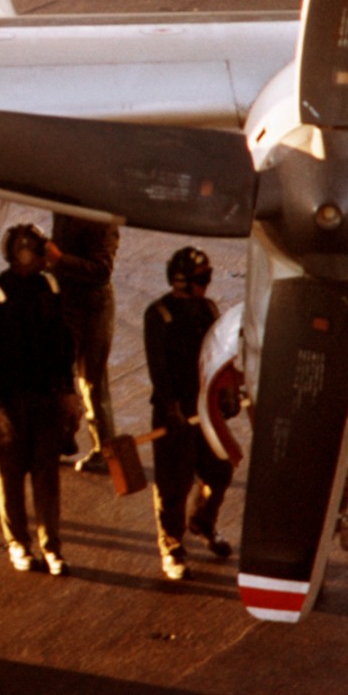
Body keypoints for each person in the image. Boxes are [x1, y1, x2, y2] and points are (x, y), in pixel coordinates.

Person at [0, 223, 77, 577]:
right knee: (11, 475)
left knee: (47, 475)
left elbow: (65, 344)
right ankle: (19, 544)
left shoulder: (50, 287)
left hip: (47, 398)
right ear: (21, 254)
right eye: (39, 251)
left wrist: (70, 392)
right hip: (10, 402)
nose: (45, 257)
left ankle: (52, 548)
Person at [144, 246, 233, 581]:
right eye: (202, 278)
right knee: (173, 485)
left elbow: (218, 353)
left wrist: (224, 393)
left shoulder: (207, 309)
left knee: (220, 470)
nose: (206, 285)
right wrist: (171, 410)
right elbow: (159, 369)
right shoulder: (159, 315)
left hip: (204, 410)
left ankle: (204, 521)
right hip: (174, 413)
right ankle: (172, 547)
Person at [46, 212, 119, 473]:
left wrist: (59, 260)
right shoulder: (65, 208)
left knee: (93, 383)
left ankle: (106, 451)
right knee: (59, 378)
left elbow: (102, 270)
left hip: (93, 306)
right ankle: (58, 441)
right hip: (66, 299)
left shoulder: (101, 218)